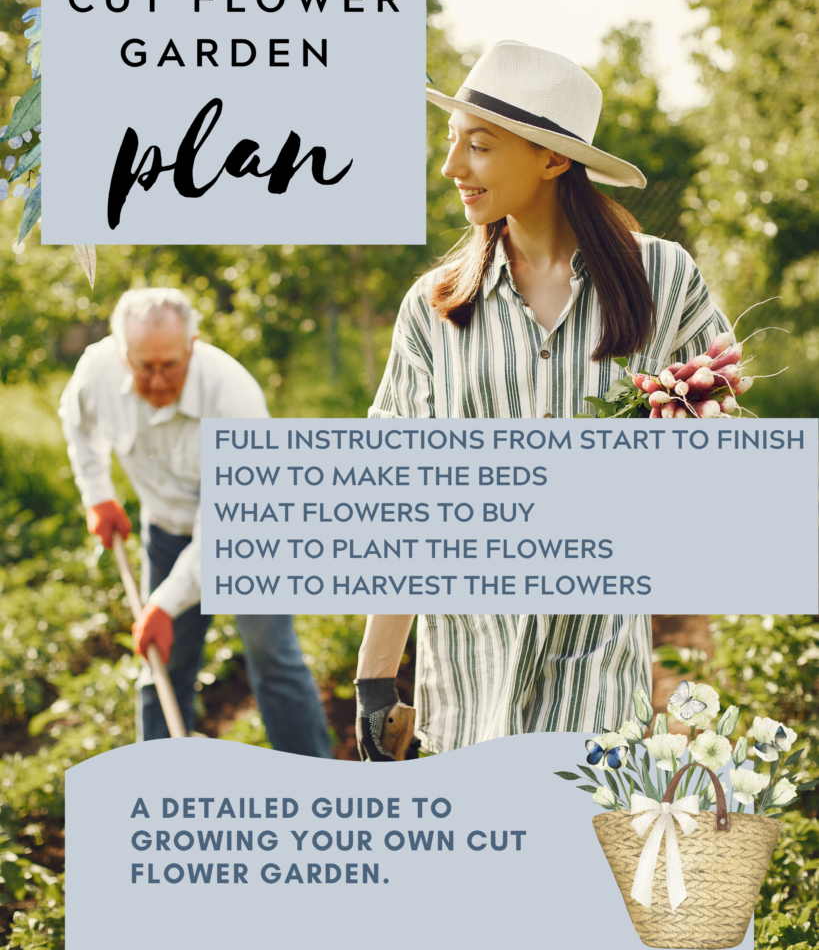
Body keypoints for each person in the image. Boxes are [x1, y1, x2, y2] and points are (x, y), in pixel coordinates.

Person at [354, 40, 729, 761]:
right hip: (469, 668)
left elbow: (712, 457)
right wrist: (375, 677)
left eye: (480, 147)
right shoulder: (434, 310)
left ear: (553, 159)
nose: (451, 167)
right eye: (452, 143)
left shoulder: (661, 279)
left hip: (594, 658)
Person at [60, 287, 332, 756]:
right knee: (162, 664)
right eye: (145, 367)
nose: (159, 380)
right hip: (166, 531)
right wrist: (99, 497)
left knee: (273, 660)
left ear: (194, 344)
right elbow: (77, 422)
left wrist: (163, 604)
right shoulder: (97, 370)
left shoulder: (234, 397)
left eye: (171, 365)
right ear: (121, 353)